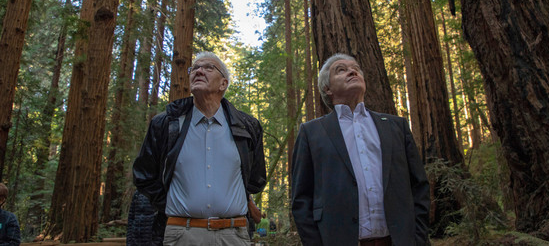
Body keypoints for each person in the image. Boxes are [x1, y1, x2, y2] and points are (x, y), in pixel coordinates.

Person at [291, 53, 430, 246]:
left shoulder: (396, 126)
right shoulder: (311, 133)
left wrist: (418, 238)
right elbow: (301, 200)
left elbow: (419, 186)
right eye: (341, 69)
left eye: (355, 68)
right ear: (327, 88)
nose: (351, 71)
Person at [133, 51, 266, 246]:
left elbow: (255, 180)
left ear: (223, 84)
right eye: (194, 68)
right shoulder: (166, 124)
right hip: (181, 234)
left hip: (233, 236)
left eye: (208, 68)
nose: (199, 71)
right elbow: (144, 177)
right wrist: (173, 205)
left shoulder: (247, 127)